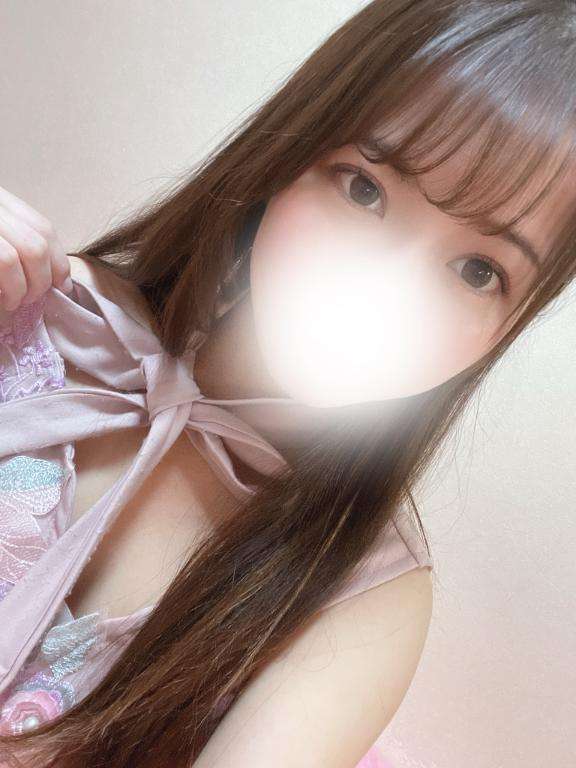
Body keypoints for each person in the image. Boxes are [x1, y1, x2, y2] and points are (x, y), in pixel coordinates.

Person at [0, 1, 575, 766]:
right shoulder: (38, 318)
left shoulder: (364, 592)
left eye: (479, 271)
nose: (386, 291)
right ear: (289, 155)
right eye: (363, 189)